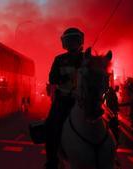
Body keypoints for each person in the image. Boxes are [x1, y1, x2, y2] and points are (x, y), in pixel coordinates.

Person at [45, 27, 84, 169]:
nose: (72, 43)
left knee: (109, 122)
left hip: (83, 102)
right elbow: (52, 78)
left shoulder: (87, 59)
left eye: (75, 40)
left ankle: (111, 155)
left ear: (80, 41)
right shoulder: (59, 59)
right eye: (69, 40)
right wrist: (66, 76)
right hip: (63, 101)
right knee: (50, 127)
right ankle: (51, 162)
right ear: (65, 43)